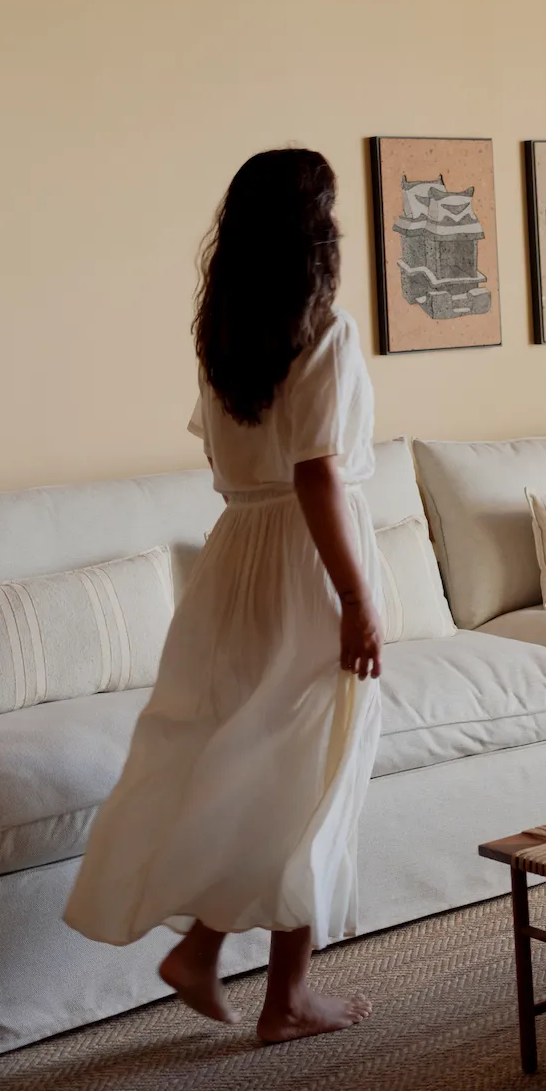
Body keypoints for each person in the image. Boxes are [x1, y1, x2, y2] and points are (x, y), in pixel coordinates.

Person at [65, 148, 387, 1042]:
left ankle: (208, 952)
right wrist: (356, 598)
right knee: (312, 778)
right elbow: (318, 474)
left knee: (259, 769)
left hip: (236, 556)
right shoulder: (326, 331)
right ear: (312, 232)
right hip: (306, 564)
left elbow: (224, 461)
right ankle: (284, 997)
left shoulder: (222, 338)